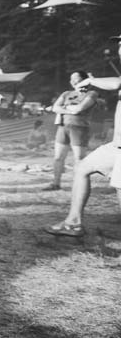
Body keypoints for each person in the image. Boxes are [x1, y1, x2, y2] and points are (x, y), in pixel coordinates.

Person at [45, 39, 121, 237]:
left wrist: (90, 81)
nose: (119, 48)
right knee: (82, 168)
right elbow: (57, 107)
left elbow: (117, 83)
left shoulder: (98, 87)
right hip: (116, 147)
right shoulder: (68, 92)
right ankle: (73, 223)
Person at [45, 71, 96, 190]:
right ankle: (56, 183)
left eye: (76, 78)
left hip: (79, 128)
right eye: (71, 79)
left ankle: (78, 185)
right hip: (63, 127)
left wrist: (64, 108)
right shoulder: (66, 93)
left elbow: (80, 108)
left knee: (79, 158)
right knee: (58, 157)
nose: (73, 81)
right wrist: (70, 110)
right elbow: (55, 107)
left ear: (84, 80)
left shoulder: (92, 93)